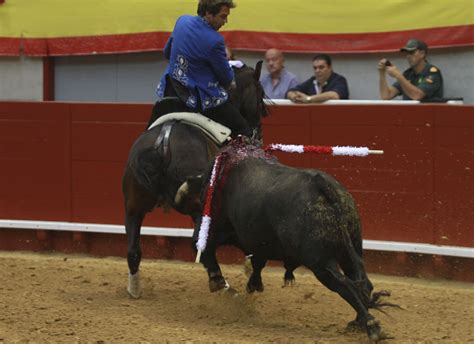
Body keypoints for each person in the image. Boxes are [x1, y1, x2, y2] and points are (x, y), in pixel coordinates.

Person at [155, 0, 251, 137]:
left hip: (171, 89)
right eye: (223, 16)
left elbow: (167, 53)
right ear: (208, 13)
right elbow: (226, 78)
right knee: (242, 128)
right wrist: (231, 81)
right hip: (197, 98)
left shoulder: (182, 21)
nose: (226, 21)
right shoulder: (215, 40)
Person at [378, 39, 443, 101]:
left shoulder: (432, 72)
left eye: (411, 52)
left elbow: (417, 95)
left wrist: (398, 76)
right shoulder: (408, 74)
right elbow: (386, 96)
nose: (408, 56)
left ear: (422, 54)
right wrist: (382, 74)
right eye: (407, 53)